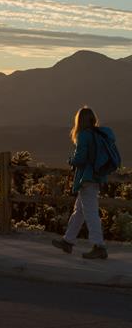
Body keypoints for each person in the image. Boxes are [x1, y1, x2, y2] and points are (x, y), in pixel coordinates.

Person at [52, 107, 112, 259]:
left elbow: (80, 158)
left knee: (91, 213)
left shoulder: (84, 136)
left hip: (86, 179)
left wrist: (70, 160)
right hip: (96, 177)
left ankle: (99, 246)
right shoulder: (98, 134)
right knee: (79, 211)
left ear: (79, 120)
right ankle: (68, 241)